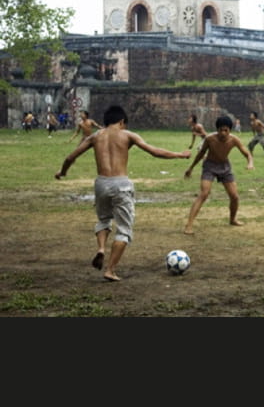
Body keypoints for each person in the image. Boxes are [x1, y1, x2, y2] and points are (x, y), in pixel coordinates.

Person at [54, 104, 192, 282]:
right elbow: (154, 152)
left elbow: (70, 157)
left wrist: (63, 172)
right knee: (124, 229)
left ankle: (102, 248)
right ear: (121, 122)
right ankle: (110, 270)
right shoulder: (128, 135)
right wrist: (179, 155)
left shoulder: (95, 137)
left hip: (101, 183)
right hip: (121, 184)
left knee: (103, 220)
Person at [183, 115, 254, 235]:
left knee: (235, 196)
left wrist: (250, 163)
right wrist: (191, 168)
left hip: (224, 167)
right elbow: (201, 154)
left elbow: (247, 153)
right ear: (217, 130)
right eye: (220, 130)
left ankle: (233, 219)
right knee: (204, 194)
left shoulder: (234, 140)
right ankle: (189, 225)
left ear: (230, 130)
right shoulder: (210, 139)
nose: (223, 133)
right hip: (209, 167)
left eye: (226, 130)